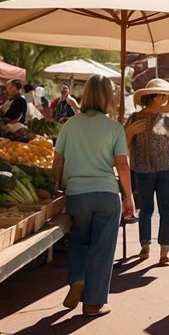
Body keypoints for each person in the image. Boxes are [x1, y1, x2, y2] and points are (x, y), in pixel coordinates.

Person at [54, 75, 134, 316]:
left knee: (78, 240)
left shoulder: (70, 125)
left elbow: (58, 160)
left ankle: (77, 278)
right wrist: (129, 196)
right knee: (103, 248)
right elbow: (122, 166)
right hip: (107, 194)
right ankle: (93, 303)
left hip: (76, 194)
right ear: (108, 97)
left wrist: (54, 187)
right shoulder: (115, 128)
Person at [125, 79, 169, 265]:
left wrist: (128, 132)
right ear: (158, 96)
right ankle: (163, 252)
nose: (166, 98)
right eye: (164, 95)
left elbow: (125, 146)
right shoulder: (166, 121)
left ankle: (145, 248)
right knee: (166, 212)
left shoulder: (134, 119)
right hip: (165, 170)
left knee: (146, 210)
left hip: (143, 170)